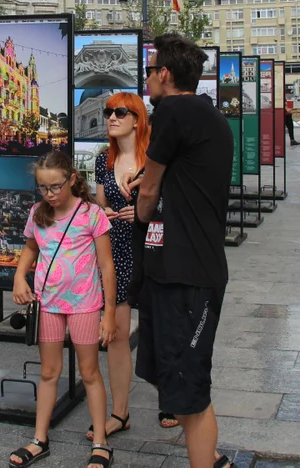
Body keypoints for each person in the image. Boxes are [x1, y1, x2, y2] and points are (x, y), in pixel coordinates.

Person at [134, 33, 233, 468]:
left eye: (150, 72)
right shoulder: (206, 113)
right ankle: (209, 457)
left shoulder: (173, 109)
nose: (148, 80)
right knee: (182, 383)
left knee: (190, 394)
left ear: (166, 75)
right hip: (186, 267)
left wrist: (140, 208)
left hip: (186, 273)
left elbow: (150, 186)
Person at [10, 151, 116, 468]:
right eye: (44, 188)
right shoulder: (38, 214)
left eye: (56, 186)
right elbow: (30, 249)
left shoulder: (91, 215)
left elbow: (107, 266)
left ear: (72, 179)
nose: (51, 194)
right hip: (49, 304)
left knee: (90, 373)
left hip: (85, 304)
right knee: (48, 372)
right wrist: (19, 277)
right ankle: (39, 438)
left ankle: (101, 442)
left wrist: (109, 313)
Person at [86, 93, 178, 438]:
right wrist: (106, 214)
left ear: (137, 119)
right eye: (108, 112)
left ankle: (170, 400)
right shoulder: (102, 161)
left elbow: (174, 201)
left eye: (119, 112)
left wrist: (145, 211)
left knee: (163, 329)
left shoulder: (156, 157)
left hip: (154, 248)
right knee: (118, 334)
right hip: (118, 251)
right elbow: (99, 205)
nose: (110, 117)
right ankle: (119, 413)